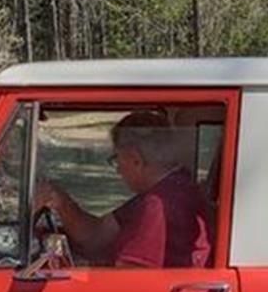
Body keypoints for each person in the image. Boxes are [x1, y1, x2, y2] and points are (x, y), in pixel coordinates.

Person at [35, 110, 213, 268]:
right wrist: (61, 202)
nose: (118, 168)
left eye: (117, 158)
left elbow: (130, 276)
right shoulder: (164, 191)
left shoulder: (160, 203)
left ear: (136, 160)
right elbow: (96, 236)